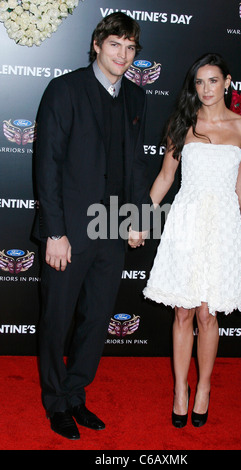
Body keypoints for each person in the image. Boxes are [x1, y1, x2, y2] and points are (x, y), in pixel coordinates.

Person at [34, 12, 150, 440]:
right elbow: (47, 165)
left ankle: (77, 394)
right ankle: (54, 403)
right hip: (69, 232)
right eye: (116, 44)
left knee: (97, 320)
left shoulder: (137, 99)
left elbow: (136, 164)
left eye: (131, 47)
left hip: (113, 229)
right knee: (56, 321)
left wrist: (138, 218)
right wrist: (55, 232)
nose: (123, 54)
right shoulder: (64, 89)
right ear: (98, 45)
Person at [143, 53, 241, 428]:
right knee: (183, 311)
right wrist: (141, 218)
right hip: (187, 222)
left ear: (227, 81)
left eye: (213, 80)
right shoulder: (183, 124)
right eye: (199, 82)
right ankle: (181, 389)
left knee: (208, 314)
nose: (205, 89)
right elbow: (164, 178)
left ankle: (204, 387)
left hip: (223, 225)